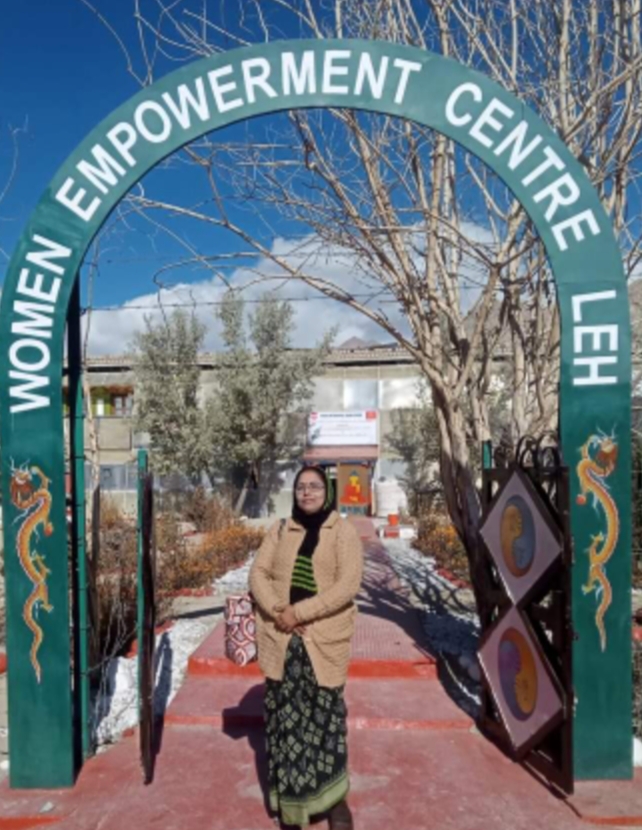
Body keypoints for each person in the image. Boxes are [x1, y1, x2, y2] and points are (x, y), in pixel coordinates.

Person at [249, 465, 364, 830]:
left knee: (326, 720)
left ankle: (335, 801)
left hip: (324, 640)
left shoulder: (342, 532)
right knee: (285, 722)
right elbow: (258, 574)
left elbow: (348, 585)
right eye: (301, 487)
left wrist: (299, 613)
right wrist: (278, 611)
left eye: (315, 486)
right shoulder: (281, 529)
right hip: (281, 639)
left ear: (327, 492)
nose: (308, 492)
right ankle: (292, 806)